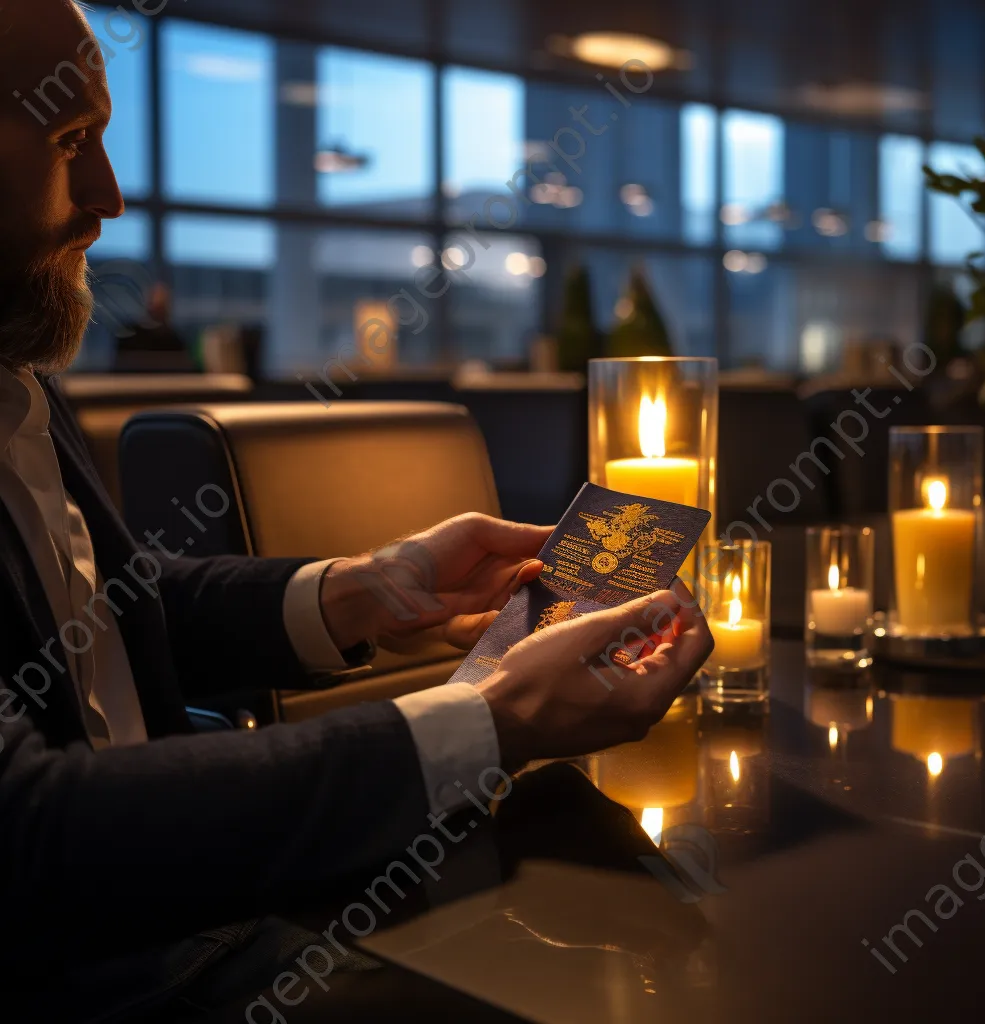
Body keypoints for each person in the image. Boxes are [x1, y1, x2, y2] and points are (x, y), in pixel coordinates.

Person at [0, 0, 714, 1015]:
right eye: (71, 139)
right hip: (99, 965)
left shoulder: (15, 370)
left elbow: (97, 611)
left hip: (184, 899)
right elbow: (30, 831)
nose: (111, 195)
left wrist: (357, 592)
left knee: (610, 870)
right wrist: (490, 719)